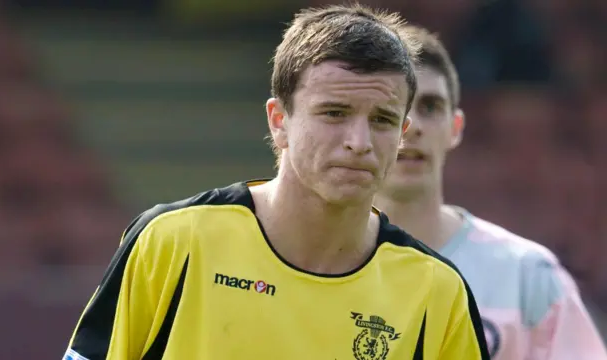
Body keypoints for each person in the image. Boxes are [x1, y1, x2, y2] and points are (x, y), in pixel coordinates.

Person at [63, 5, 490, 360]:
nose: (359, 143)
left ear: (402, 133)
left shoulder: (437, 293)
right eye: (334, 113)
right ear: (279, 120)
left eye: (381, 120)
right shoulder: (174, 243)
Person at [374, 24, 607, 360]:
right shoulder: (313, 263)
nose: (414, 127)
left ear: (455, 128)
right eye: (393, 110)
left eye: (429, 107)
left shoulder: (526, 276)